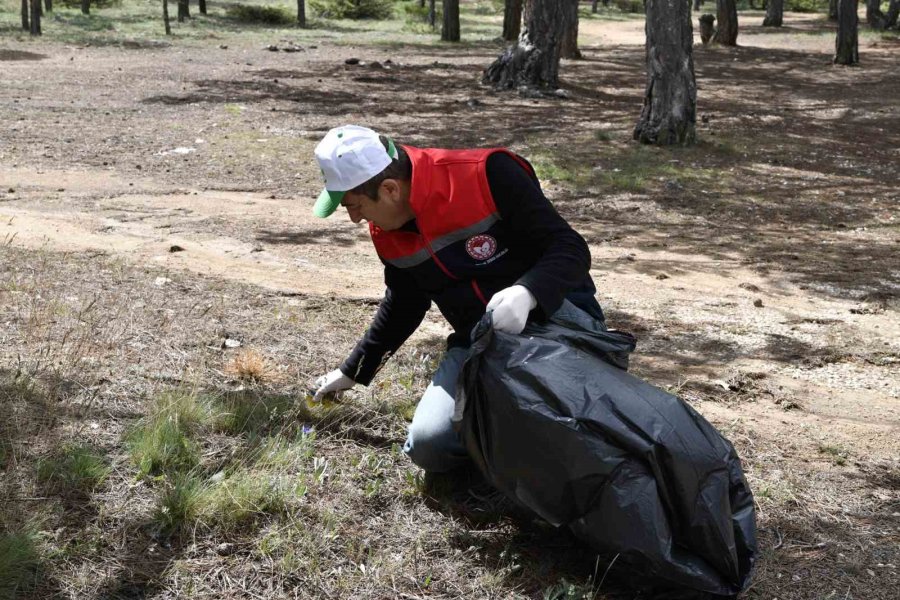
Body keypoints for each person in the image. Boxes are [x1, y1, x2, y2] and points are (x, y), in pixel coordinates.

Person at [311, 125, 604, 473]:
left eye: (355, 205)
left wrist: (528, 293)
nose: (355, 217)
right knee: (430, 445)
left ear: (389, 189)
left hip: (556, 319)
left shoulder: (487, 174)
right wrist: (355, 370)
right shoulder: (386, 230)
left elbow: (569, 248)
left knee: (561, 423)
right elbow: (405, 302)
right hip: (480, 343)